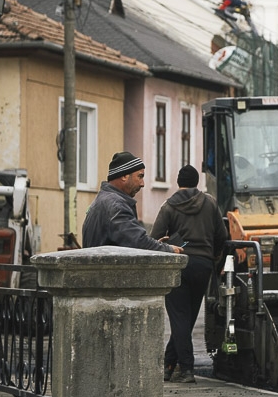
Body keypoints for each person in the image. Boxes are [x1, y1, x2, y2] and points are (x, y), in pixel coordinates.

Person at [151, 165, 227, 384]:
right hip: (203, 267)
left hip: (178, 266)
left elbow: (154, 237)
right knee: (187, 318)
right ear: (196, 182)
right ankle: (168, 364)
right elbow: (221, 236)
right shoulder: (210, 203)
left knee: (179, 318)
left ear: (178, 182)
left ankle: (186, 370)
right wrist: (214, 258)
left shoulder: (169, 206)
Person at [81, 151, 183, 254]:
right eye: (140, 176)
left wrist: (155, 246)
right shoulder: (116, 205)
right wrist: (168, 249)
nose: (142, 184)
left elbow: (129, 242)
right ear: (124, 176)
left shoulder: (103, 200)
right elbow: (137, 242)